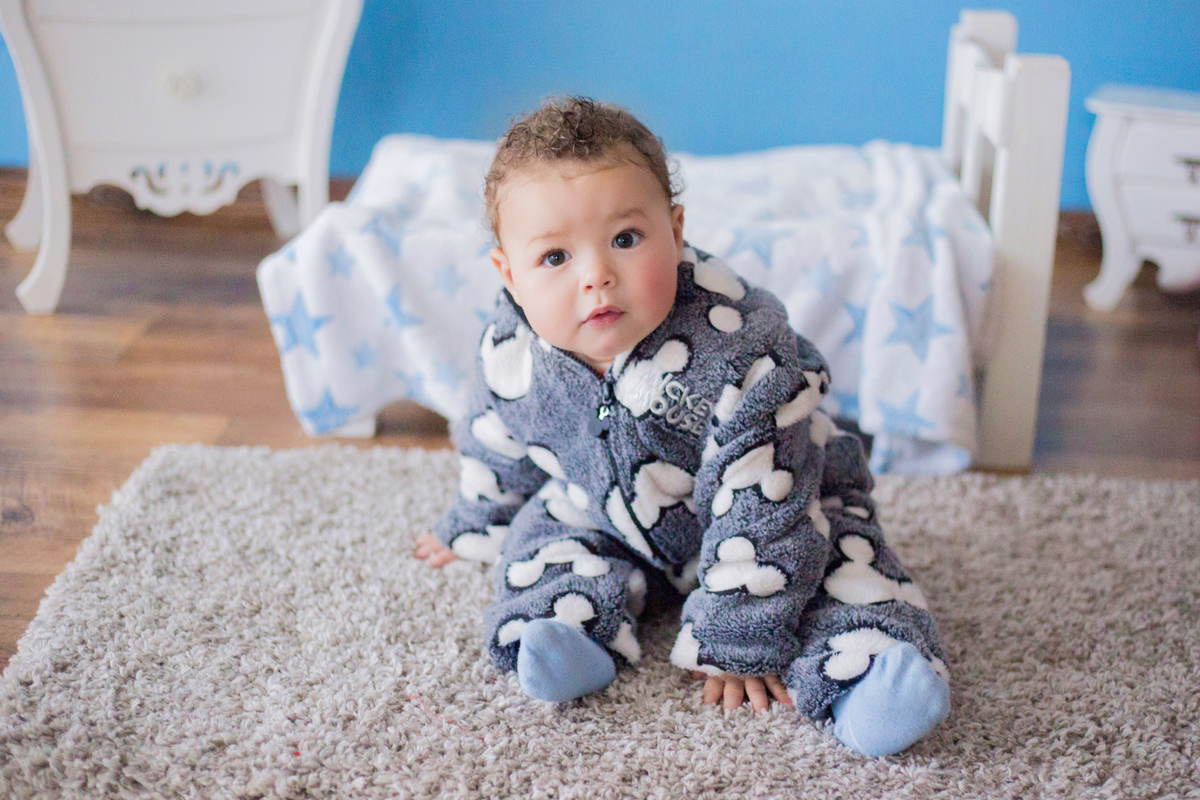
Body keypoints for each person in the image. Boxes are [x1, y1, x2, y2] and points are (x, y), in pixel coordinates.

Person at [415, 97, 950, 756]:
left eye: (626, 239)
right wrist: (478, 519)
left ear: (674, 230)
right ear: (509, 274)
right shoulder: (511, 350)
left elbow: (764, 505)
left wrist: (739, 638)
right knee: (544, 547)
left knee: (844, 566)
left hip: (781, 508)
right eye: (555, 258)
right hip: (602, 511)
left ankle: (874, 669)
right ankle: (567, 632)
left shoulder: (742, 352)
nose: (597, 276)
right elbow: (493, 442)